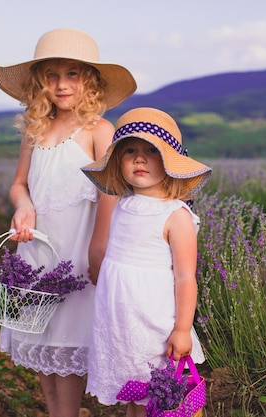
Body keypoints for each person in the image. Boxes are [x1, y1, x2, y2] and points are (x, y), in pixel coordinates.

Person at [0, 28, 136, 417]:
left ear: (88, 79)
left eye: (72, 73)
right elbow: (19, 185)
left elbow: (110, 193)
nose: (61, 84)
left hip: (76, 251)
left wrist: (98, 246)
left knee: (65, 341)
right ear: (41, 81)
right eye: (52, 76)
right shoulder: (34, 130)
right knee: (40, 341)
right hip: (37, 246)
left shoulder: (98, 131)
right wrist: (23, 207)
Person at [81, 107, 212, 417]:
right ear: (118, 161)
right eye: (130, 150)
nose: (139, 158)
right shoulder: (124, 206)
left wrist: (182, 329)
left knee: (160, 393)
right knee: (135, 394)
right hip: (120, 322)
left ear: (170, 161)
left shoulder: (175, 215)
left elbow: (184, 277)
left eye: (151, 150)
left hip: (154, 324)